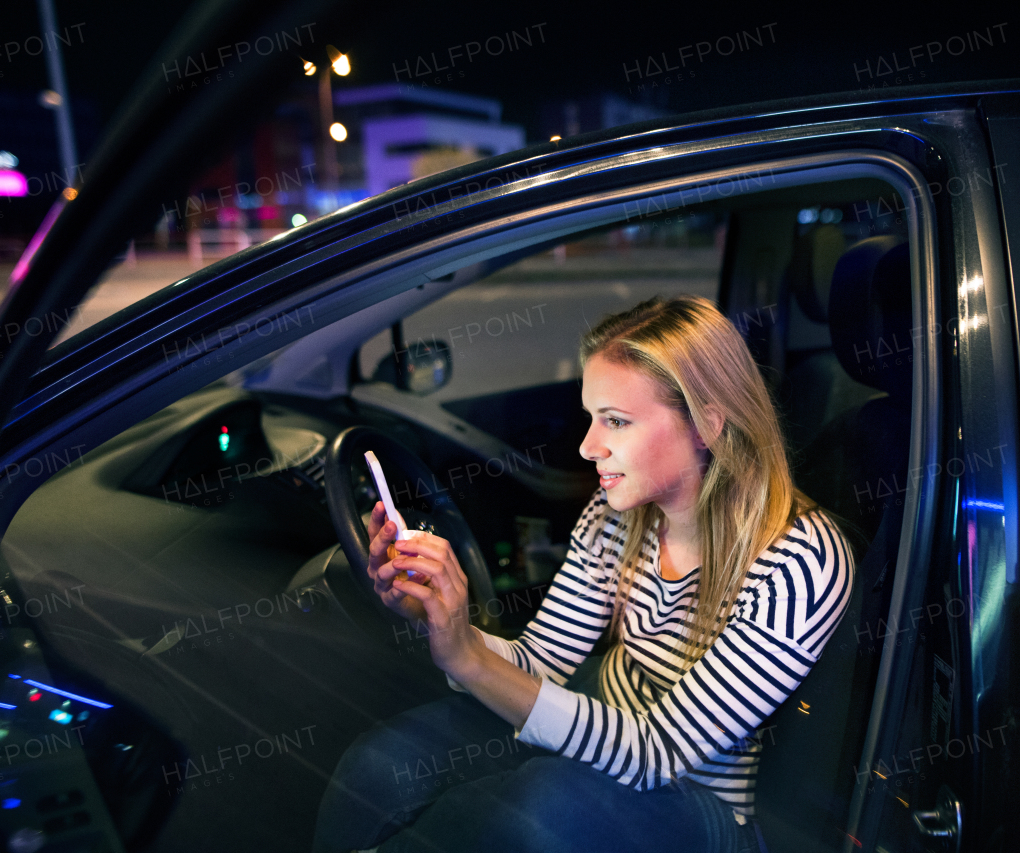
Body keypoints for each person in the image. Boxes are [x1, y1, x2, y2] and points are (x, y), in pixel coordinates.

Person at [313, 295, 855, 853]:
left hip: (701, 806)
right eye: (591, 417)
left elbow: (658, 754)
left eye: (616, 421)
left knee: (540, 811)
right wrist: (443, 622)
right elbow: (542, 661)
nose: (588, 446)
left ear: (705, 424)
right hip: (602, 730)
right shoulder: (615, 517)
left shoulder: (798, 563)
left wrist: (468, 661)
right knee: (383, 764)